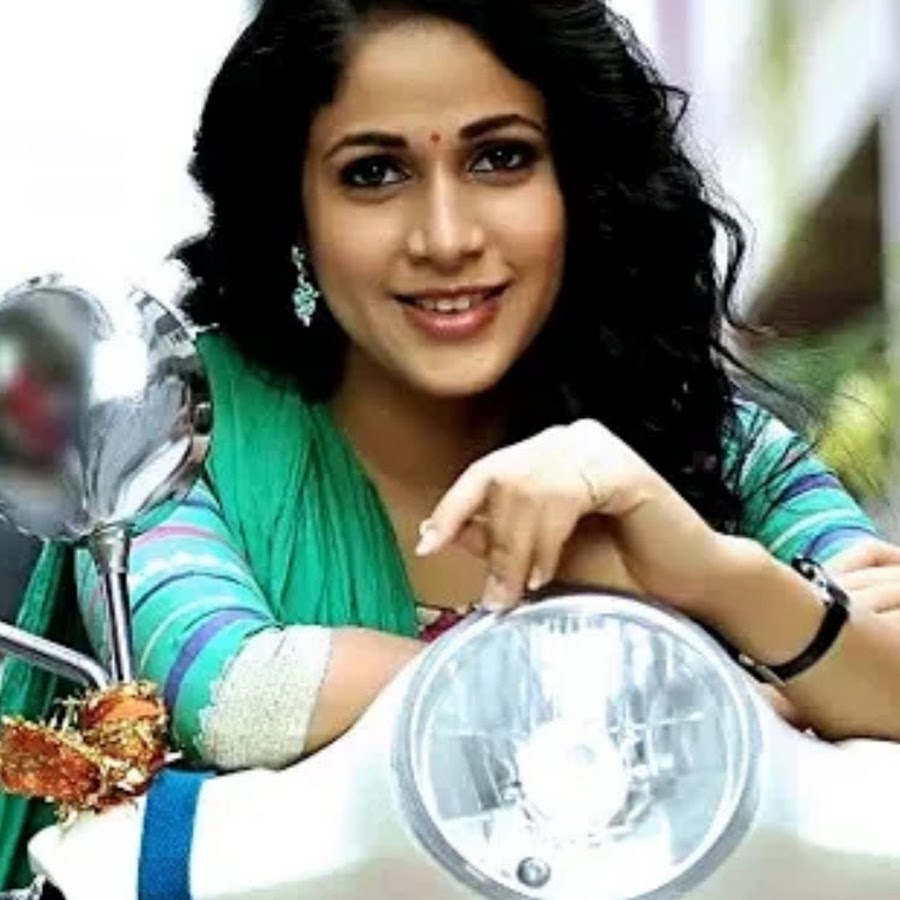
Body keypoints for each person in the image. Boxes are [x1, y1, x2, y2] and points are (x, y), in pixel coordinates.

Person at [4, 0, 900, 886]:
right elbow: (235, 693)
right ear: (294, 210)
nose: (446, 238)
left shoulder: (712, 439)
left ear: (579, 183)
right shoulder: (175, 426)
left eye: (501, 157)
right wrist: (719, 693)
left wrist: (709, 573)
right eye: (373, 173)